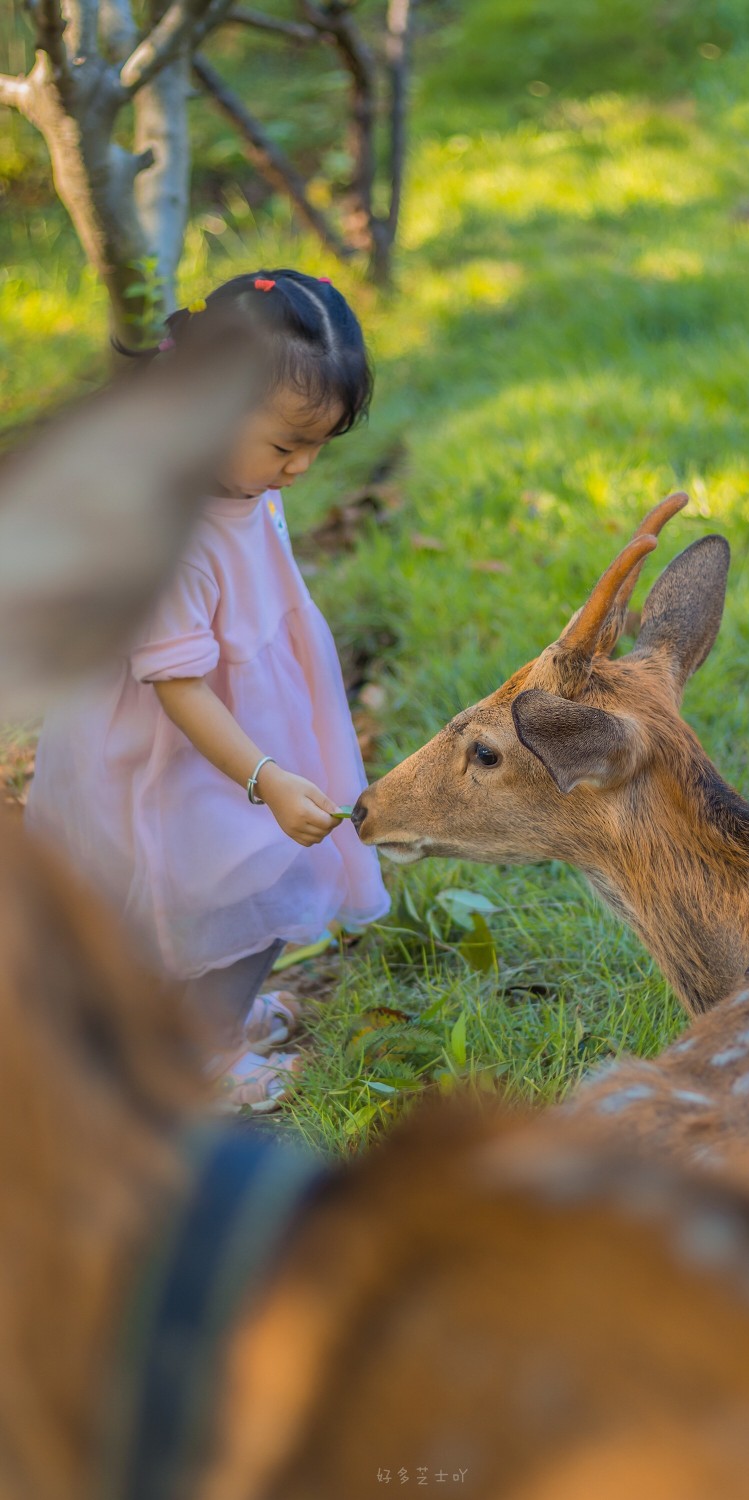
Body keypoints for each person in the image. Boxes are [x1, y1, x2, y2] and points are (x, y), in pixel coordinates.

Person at [26, 269, 390, 1107]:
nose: (301, 468)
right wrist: (263, 776)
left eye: (319, 447)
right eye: (286, 444)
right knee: (248, 884)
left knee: (256, 891)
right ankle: (202, 1055)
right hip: (182, 753)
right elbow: (180, 689)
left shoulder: (243, 480)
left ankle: (210, 1017)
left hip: (248, 725)